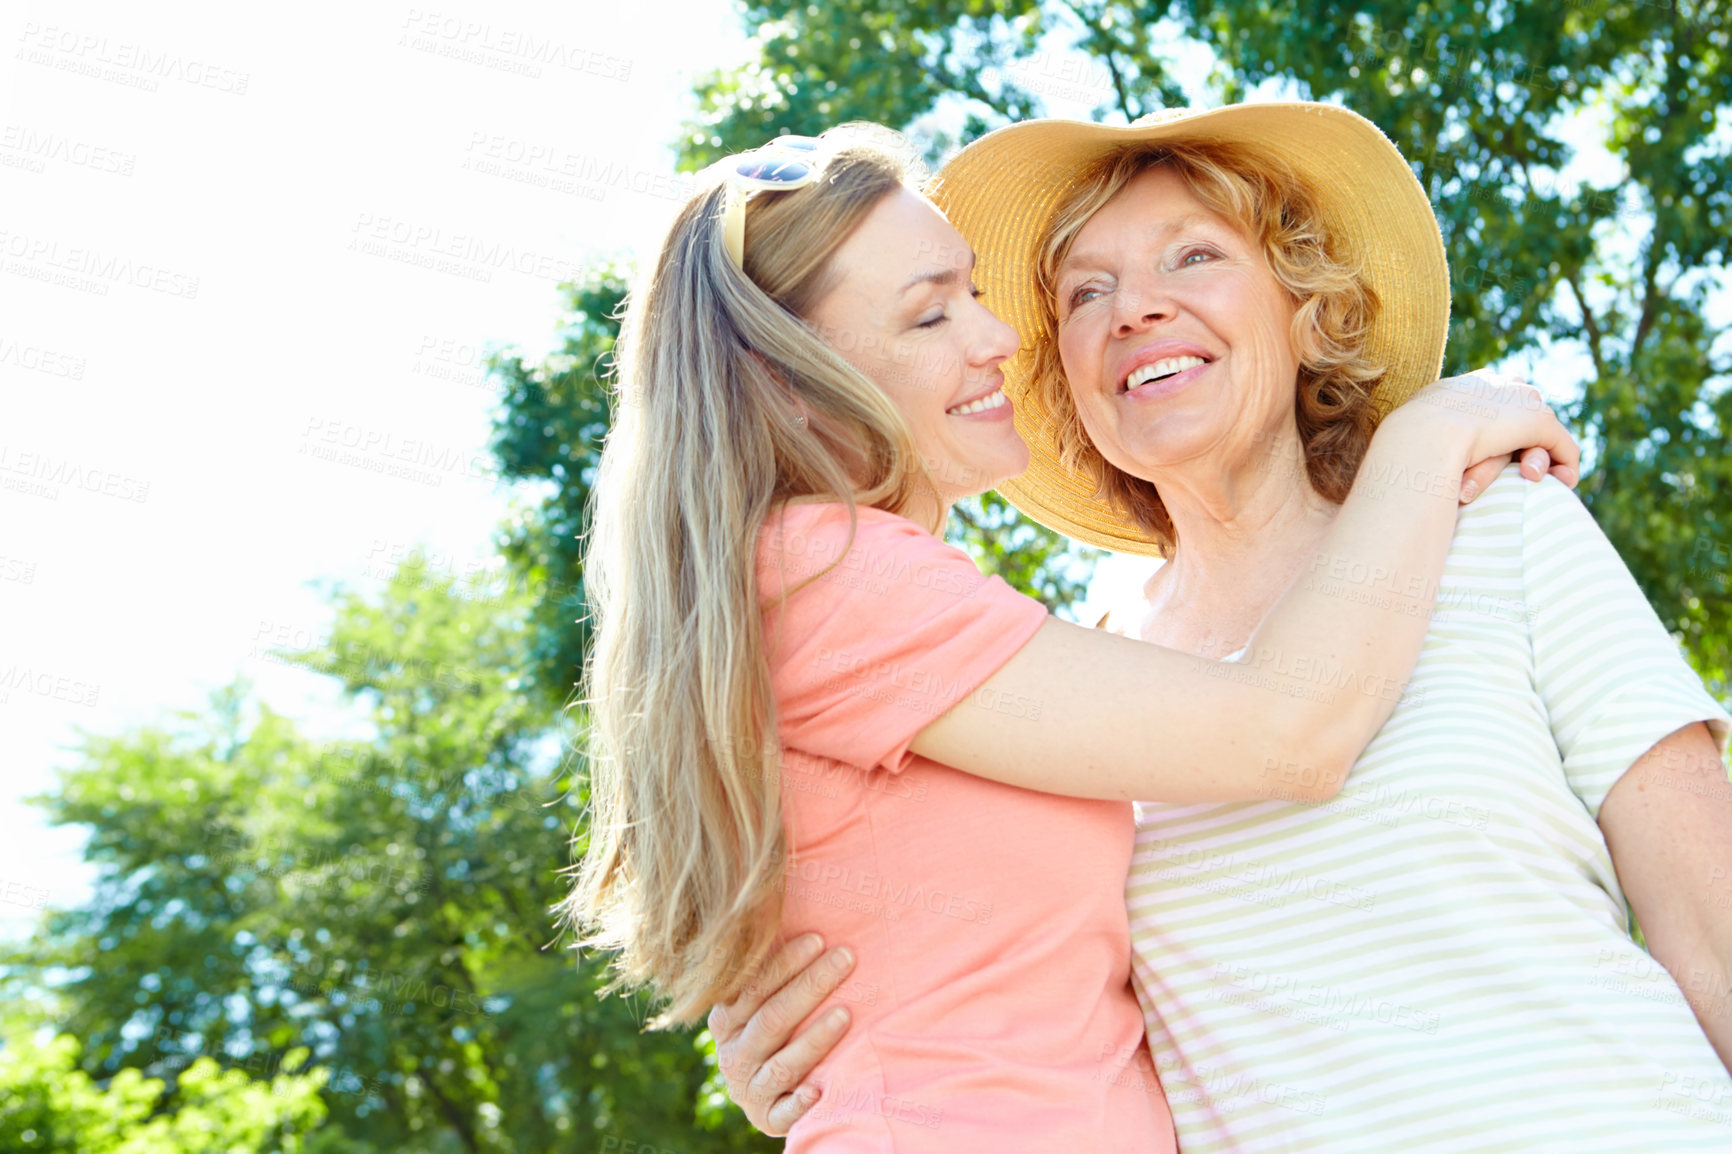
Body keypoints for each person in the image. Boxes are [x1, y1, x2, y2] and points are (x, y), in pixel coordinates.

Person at [710, 104, 1732, 1151]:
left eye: (1192, 256)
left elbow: (1715, 929)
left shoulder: (1501, 530)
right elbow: (1052, 1017)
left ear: (1306, 307)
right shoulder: (1067, 680)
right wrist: (814, 1058)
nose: (1136, 309)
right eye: (1085, 292)